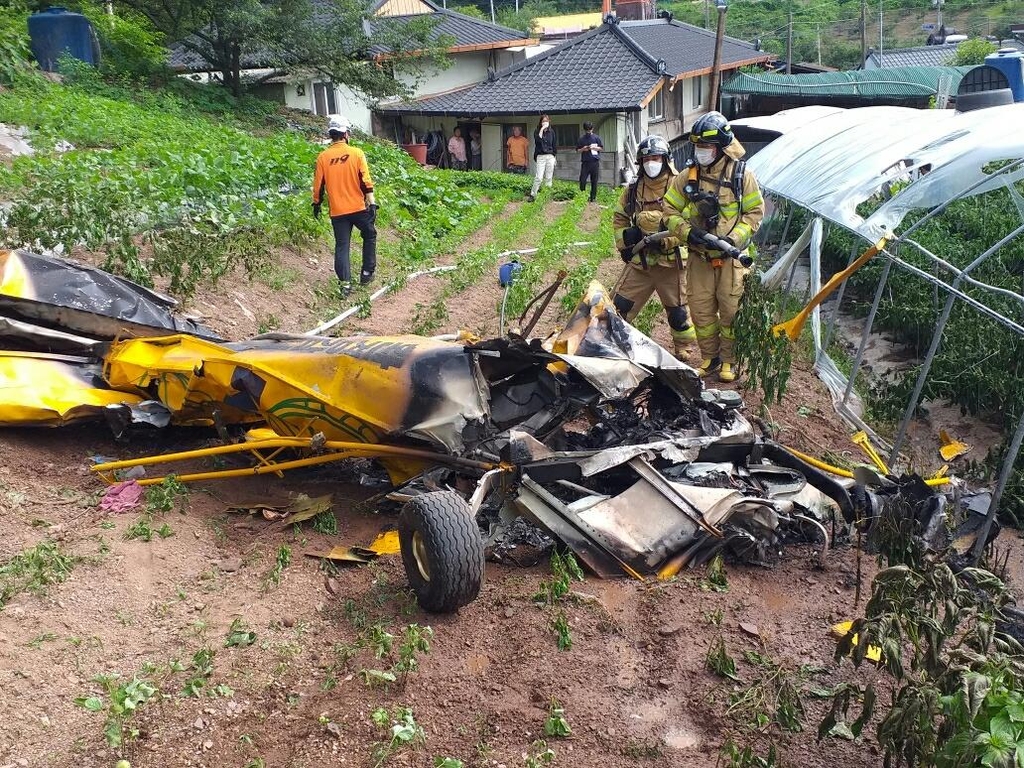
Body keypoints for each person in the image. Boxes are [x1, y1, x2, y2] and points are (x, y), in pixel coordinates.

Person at [664, 111, 765, 382]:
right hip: (699, 256)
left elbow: (754, 214)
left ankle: (729, 361)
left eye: (706, 147)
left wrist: (733, 240)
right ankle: (710, 359)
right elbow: (668, 209)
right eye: (698, 146)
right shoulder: (688, 176)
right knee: (701, 309)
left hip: (731, 259)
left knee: (730, 311)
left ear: (720, 148)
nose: (701, 152)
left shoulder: (742, 175)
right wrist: (687, 233)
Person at [611, 135, 695, 360]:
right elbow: (620, 217)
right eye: (647, 158)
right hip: (642, 263)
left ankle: (683, 348)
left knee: (678, 313)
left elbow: (690, 223)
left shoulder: (680, 185)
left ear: (666, 159)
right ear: (640, 162)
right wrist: (625, 245)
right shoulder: (633, 189)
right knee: (620, 308)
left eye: (656, 157)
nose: (651, 162)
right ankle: (611, 344)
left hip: (671, 263)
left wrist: (666, 239)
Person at [311, 114, 377, 298]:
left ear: (332, 135)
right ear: (346, 133)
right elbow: (366, 181)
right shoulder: (356, 153)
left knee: (342, 246)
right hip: (357, 208)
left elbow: (318, 185)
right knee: (370, 234)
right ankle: (367, 273)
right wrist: (372, 204)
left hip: (338, 211)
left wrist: (316, 204)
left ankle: (345, 285)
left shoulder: (323, 157)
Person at [528, 115, 556, 202]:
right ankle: (533, 194)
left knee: (549, 177)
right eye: (543, 121)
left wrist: (555, 157)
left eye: (546, 121)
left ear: (549, 121)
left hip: (550, 156)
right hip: (541, 156)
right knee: (539, 177)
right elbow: (538, 141)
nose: (545, 122)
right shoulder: (537, 131)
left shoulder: (552, 132)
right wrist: (542, 129)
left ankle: (546, 195)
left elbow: (554, 145)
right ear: (540, 122)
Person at [576, 120, 603, 202]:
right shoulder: (581, 139)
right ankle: (582, 195)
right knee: (582, 179)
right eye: (587, 130)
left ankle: (593, 197)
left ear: (592, 129)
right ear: (585, 130)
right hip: (585, 162)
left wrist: (594, 148)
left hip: (594, 162)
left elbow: (601, 148)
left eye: (590, 130)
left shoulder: (596, 138)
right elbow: (577, 150)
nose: (589, 131)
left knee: (594, 181)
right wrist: (583, 149)